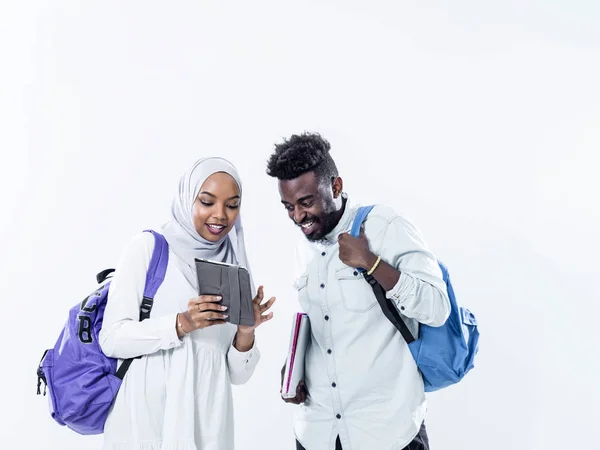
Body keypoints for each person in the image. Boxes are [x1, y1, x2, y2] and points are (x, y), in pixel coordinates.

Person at [266, 133, 450, 450]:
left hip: (385, 434)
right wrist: (297, 364)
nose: (298, 217)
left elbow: (437, 307)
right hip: (318, 434)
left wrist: (371, 262)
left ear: (336, 186)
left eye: (306, 203)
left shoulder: (385, 226)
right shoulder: (303, 250)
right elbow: (323, 323)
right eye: (289, 207)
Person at [99, 157, 276, 450]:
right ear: (186, 198)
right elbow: (112, 339)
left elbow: (237, 375)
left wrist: (246, 332)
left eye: (232, 205)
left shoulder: (235, 266)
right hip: (147, 425)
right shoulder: (149, 248)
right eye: (207, 202)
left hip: (208, 431)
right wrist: (181, 324)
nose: (220, 215)